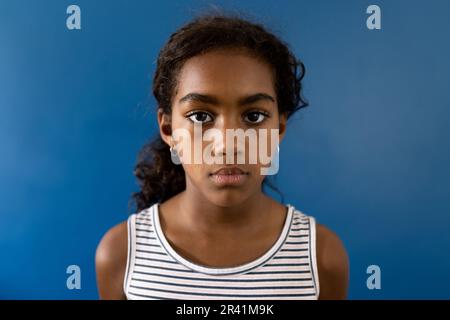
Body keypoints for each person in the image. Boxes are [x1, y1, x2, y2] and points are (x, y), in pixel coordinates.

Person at [95, 13, 349, 300]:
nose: (228, 144)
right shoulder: (122, 254)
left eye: (253, 116)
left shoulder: (320, 257)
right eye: (200, 116)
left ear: (279, 128)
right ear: (168, 128)